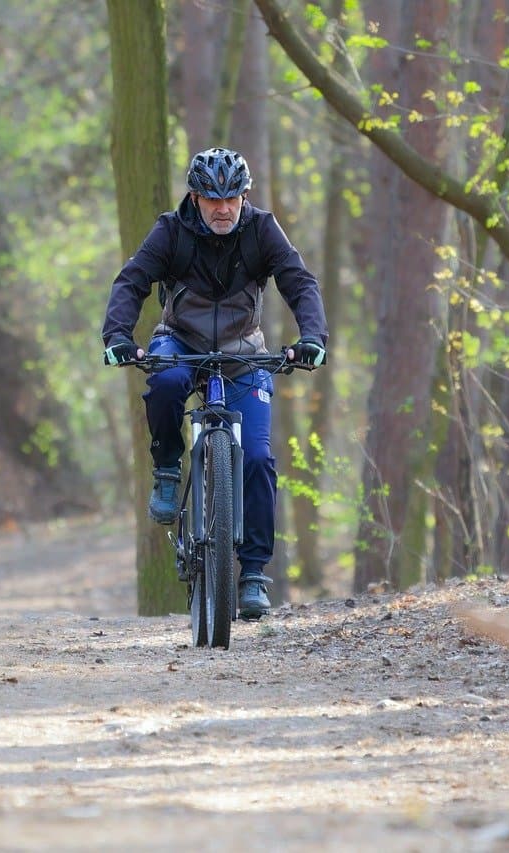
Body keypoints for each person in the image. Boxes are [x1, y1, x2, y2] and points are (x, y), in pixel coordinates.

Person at [101, 147, 328, 619]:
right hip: (181, 342)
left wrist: (312, 337)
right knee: (166, 382)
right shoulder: (170, 231)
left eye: (231, 199)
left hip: (245, 352)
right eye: (212, 200)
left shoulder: (263, 229)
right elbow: (132, 281)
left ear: (244, 197)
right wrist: (117, 336)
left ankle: (252, 574)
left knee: (259, 458)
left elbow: (299, 282)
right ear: (195, 198)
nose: (223, 209)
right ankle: (168, 468)